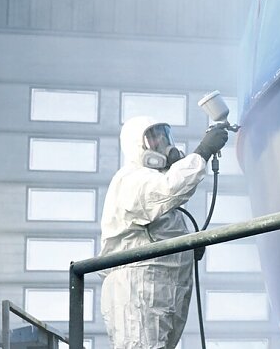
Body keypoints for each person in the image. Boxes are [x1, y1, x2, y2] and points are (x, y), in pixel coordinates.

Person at [98, 115, 230, 349]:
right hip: (137, 288)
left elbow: (161, 230)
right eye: (153, 137)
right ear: (137, 145)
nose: (161, 142)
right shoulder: (133, 179)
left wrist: (188, 246)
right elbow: (171, 187)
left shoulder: (152, 184)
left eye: (164, 135)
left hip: (162, 289)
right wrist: (202, 153)